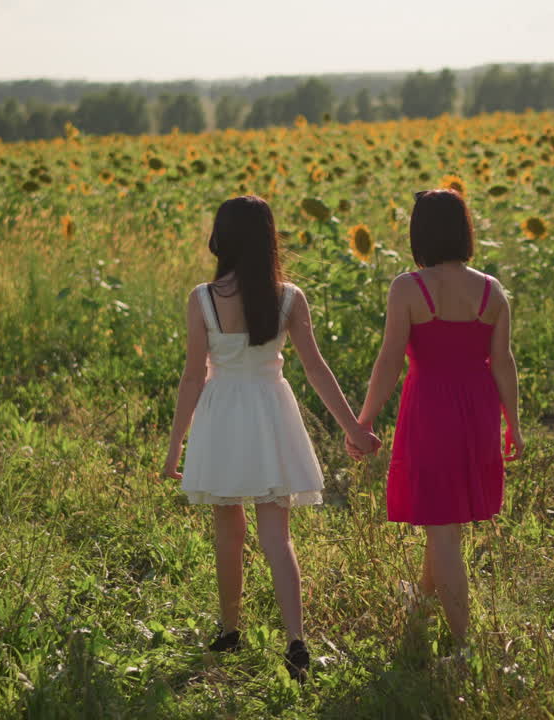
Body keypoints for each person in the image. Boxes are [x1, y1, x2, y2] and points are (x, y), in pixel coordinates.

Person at [163, 195, 379, 682]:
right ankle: (296, 640)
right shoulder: (289, 297)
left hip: (221, 417)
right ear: (268, 239)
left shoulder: (203, 298)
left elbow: (192, 379)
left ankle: (229, 628)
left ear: (221, 239)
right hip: (271, 414)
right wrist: (354, 430)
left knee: (228, 529)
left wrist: (177, 444)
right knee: (277, 538)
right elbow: (316, 370)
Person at [350, 188, 523, 654]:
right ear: (464, 230)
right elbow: (503, 362)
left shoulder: (409, 287)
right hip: (479, 411)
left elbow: (389, 361)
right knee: (445, 520)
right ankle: (421, 605)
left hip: (431, 410)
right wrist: (515, 425)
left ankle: (464, 646)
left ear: (419, 233)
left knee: (444, 528)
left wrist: (363, 420)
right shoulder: (492, 290)